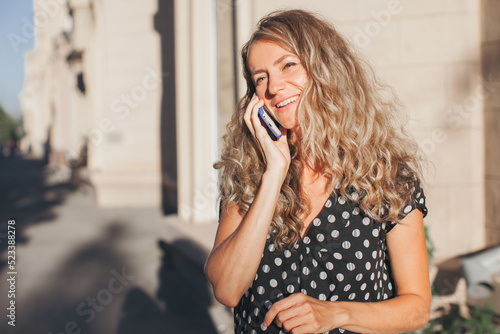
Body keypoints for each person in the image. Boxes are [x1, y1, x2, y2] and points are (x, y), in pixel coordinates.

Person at [205, 9, 431, 334]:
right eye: (260, 78)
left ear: (324, 68)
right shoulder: (249, 172)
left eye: (288, 65)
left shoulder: (388, 177)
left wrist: (337, 314)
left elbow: (417, 308)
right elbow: (227, 289)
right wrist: (274, 173)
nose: (274, 87)